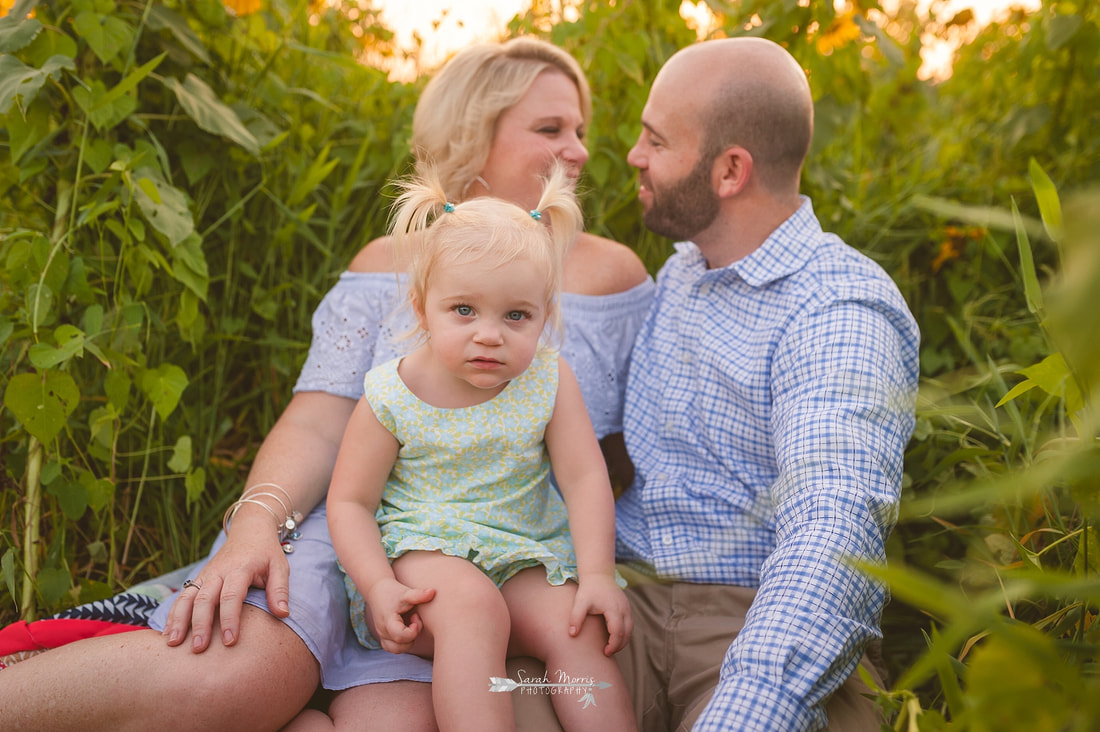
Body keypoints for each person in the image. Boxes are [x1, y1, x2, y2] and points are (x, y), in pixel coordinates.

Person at [0, 38, 653, 731]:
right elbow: (318, 424)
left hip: (520, 547)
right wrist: (258, 523)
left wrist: (600, 569)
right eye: (551, 129)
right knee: (236, 674)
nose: (580, 150)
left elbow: (616, 461)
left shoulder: (617, 280)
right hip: (365, 527)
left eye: (579, 129)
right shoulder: (390, 264)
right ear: (471, 134)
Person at [347, 35, 922, 731]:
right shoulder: (681, 274)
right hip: (624, 609)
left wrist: (740, 716)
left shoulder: (836, 309)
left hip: (751, 618)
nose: (629, 156)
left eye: (656, 141)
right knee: (480, 706)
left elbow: (833, 536)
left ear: (730, 170)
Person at [328, 164, 635, 731]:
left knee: (577, 628)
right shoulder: (392, 393)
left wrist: (594, 575)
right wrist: (378, 585)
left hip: (522, 553)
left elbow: (585, 478)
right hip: (423, 557)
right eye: (464, 310)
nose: (489, 334)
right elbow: (349, 502)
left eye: (516, 315)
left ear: (545, 316)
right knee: (473, 609)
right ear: (423, 308)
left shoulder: (548, 380)